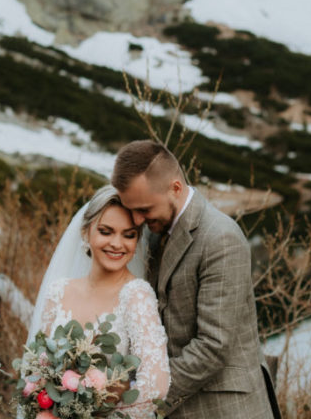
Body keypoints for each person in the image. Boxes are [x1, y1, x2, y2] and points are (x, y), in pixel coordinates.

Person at [112, 140, 281, 419]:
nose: (137, 219)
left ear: (175, 188)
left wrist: (143, 399)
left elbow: (213, 346)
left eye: (144, 209)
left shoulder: (221, 238)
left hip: (225, 409)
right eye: (132, 209)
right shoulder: (155, 231)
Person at [33, 185, 170, 419]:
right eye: (106, 231)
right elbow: (38, 369)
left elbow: (155, 386)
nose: (117, 244)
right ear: (86, 232)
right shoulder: (59, 292)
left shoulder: (136, 295)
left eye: (129, 235)